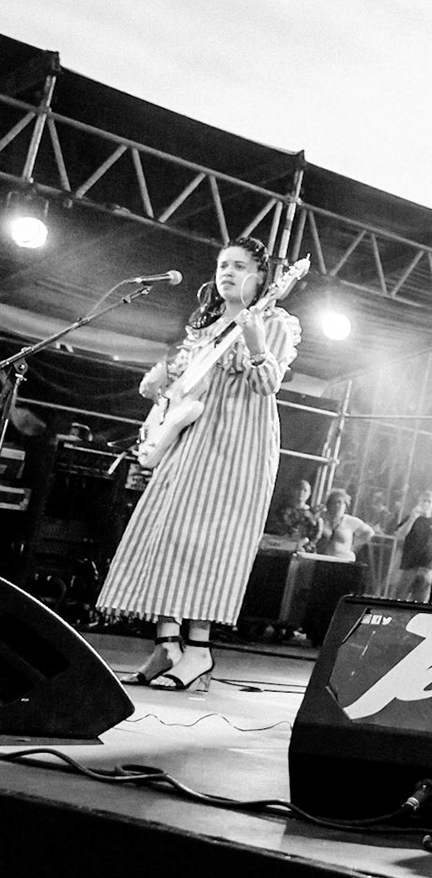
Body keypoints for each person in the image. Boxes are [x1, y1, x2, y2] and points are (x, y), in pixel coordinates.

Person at [100, 238, 300, 691]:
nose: (227, 272)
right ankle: (167, 643)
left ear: (262, 276)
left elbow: (266, 384)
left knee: (210, 542)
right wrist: (159, 388)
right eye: (222, 265)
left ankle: (201, 651)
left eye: (239, 265)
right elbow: (182, 387)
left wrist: (254, 342)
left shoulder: (276, 322)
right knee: (164, 531)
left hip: (238, 443)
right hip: (191, 438)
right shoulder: (205, 329)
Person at [386, 490, 432, 602]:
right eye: (423, 500)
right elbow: (400, 534)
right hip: (409, 566)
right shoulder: (411, 518)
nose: (426, 504)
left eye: (429, 501)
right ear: (419, 502)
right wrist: (412, 518)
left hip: (427, 568)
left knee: (422, 601)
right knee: (399, 598)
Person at [307, 488, 374, 559]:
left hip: (344, 560)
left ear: (345, 505)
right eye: (333, 502)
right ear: (328, 504)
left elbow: (369, 532)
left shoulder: (350, 521)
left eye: (340, 502)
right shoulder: (321, 518)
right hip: (321, 558)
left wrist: (354, 545)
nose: (336, 505)